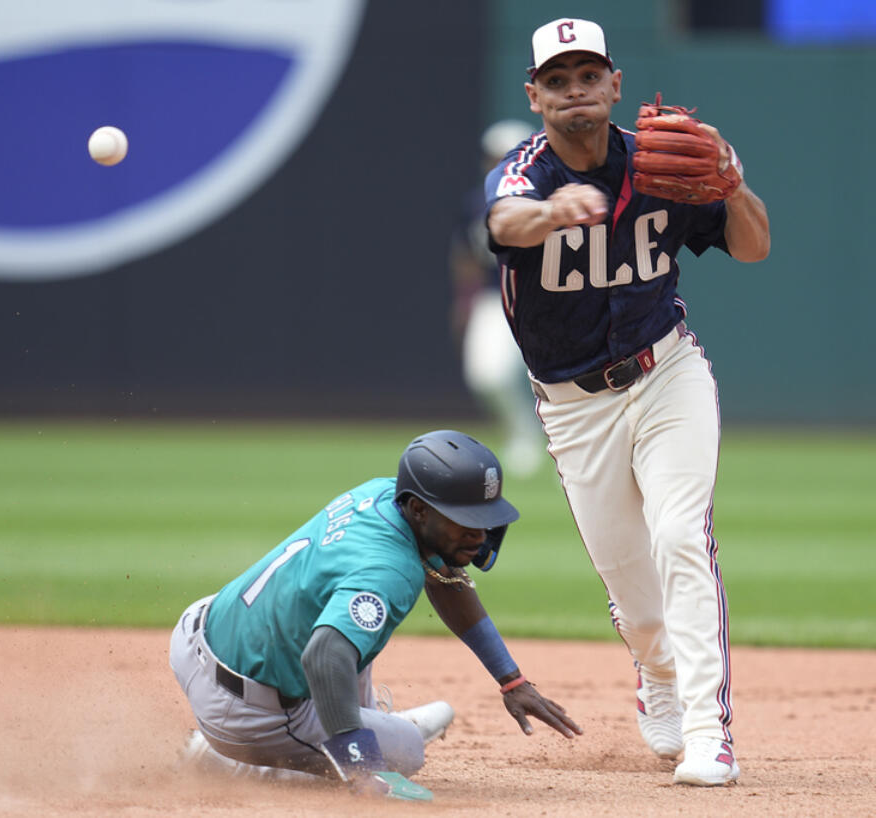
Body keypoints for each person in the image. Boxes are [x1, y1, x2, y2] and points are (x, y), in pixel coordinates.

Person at [483, 18, 771, 787]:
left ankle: (711, 735)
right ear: (535, 95)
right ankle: (659, 676)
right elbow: (504, 219)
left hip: (667, 370)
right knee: (635, 597)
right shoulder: (527, 173)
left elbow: (753, 246)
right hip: (574, 406)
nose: (574, 92)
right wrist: (552, 213)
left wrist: (733, 182)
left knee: (680, 534)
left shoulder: (664, 163)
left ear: (615, 84)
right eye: (557, 80)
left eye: (588, 77)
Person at [168, 429, 581, 802]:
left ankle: (359, 721)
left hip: (199, 633)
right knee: (404, 751)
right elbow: (324, 657)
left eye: (484, 518)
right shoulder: (392, 570)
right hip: (248, 712)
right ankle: (226, 759)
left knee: (351, 613)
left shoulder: (385, 496)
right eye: (466, 520)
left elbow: (445, 576)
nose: (478, 534)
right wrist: (360, 766)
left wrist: (511, 679)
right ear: (419, 509)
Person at [450, 120, 549, 477]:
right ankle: (524, 431)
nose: (498, 162)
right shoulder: (476, 204)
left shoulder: (546, 195)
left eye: (505, 155)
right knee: (486, 375)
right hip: (495, 298)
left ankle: (569, 447)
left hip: (544, 298)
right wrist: (464, 300)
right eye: (493, 155)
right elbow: (466, 256)